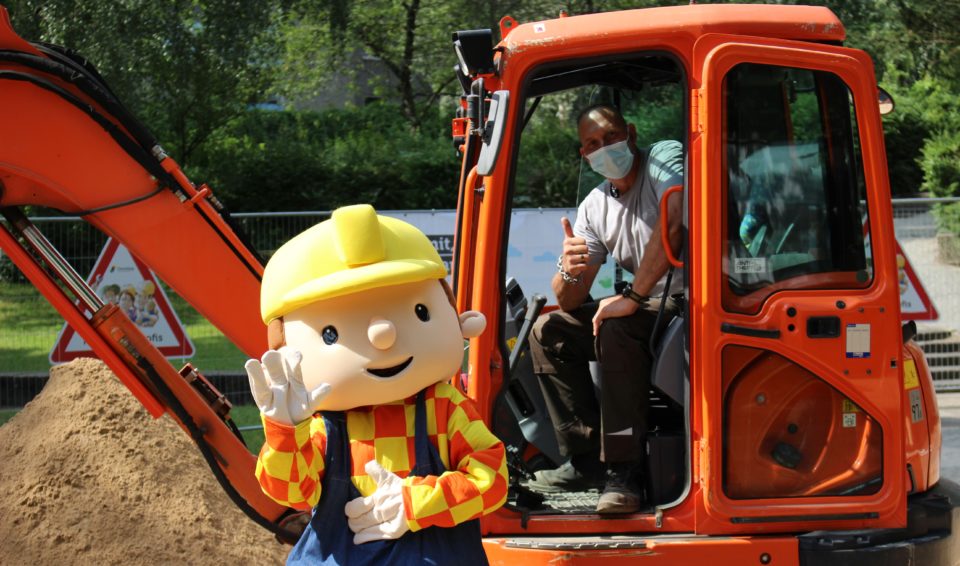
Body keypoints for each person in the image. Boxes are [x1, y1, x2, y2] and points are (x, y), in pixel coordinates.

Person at [247, 204, 507, 565]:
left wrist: (417, 501)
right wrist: (284, 434)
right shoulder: (323, 422)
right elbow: (291, 492)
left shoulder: (444, 407)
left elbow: (492, 478)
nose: (383, 336)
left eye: (420, 312)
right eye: (330, 333)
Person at [527, 104, 683, 514]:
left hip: (696, 300)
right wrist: (569, 266)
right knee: (549, 332)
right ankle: (584, 461)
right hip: (648, 301)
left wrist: (630, 298)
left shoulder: (663, 159)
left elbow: (674, 223)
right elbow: (570, 298)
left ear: (630, 132)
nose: (605, 147)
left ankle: (623, 472)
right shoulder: (594, 206)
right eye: (593, 144)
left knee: (615, 327)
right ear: (585, 154)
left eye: (611, 136)